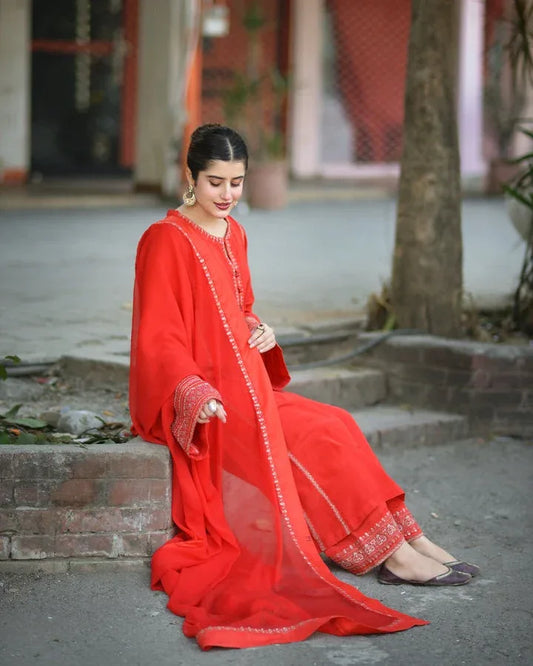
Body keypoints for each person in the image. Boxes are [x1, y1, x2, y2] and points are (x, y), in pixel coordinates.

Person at [129, 124, 479, 651]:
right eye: (215, 182)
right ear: (191, 176)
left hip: (250, 387)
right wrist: (194, 394)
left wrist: (259, 329)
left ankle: (410, 538)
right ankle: (394, 557)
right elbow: (158, 336)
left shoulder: (234, 233)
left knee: (335, 422)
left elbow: (238, 308)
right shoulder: (165, 238)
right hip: (215, 405)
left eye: (237, 182)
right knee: (316, 439)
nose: (227, 194)